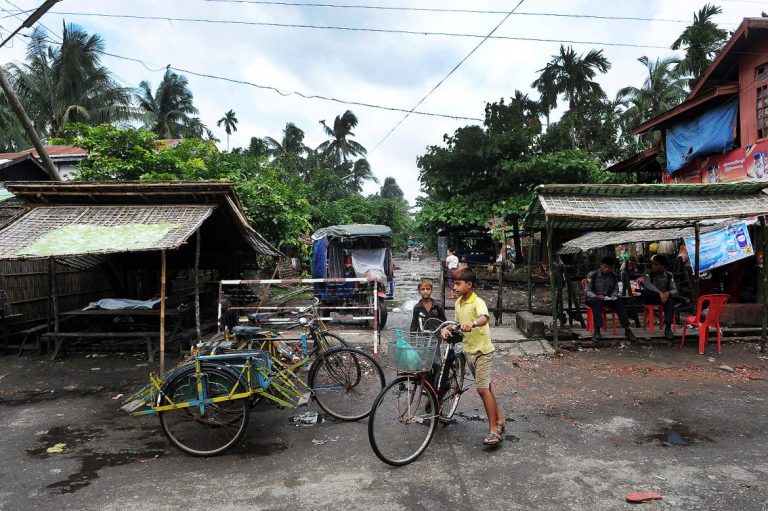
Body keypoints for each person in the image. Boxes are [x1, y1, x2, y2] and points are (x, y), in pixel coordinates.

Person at [449, 267, 505, 446]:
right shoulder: (458, 303)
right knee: (486, 387)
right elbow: (457, 324)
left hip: (483, 352)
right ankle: (500, 419)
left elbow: (484, 318)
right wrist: (447, 328)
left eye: (458, 283)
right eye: (454, 283)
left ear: (469, 284)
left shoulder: (477, 301)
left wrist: (472, 323)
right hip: (469, 351)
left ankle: (494, 432)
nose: (455, 286)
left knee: (481, 390)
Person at [585, 256, 637, 341]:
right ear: (601, 265)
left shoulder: (613, 276)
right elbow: (587, 290)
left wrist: (613, 296)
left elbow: (616, 288)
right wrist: (596, 296)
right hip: (594, 298)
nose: (607, 269)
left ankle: (627, 329)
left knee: (619, 302)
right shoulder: (592, 275)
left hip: (607, 298)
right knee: (596, 303)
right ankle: (597, 330)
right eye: (605, 267)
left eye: (609, 268)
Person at [410, 278, 446, 388]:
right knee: (424, 365)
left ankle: (436, 386)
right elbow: (414, 325)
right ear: (419, 291)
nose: (425, 291)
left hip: (435, 339)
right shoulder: (417, 307)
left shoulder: (437, 305)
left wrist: (444, 331)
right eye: (423, 289)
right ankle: (427, 386)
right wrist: (413, 340)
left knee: (436, 363)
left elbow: (443, 321)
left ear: (431, 290)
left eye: (428, 289)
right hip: (422, 339)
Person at [639, 254, 680, 340]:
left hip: (664, 299)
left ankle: (668, 328)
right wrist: (660, 293)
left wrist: (667, 293)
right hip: (651, 298)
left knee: (671, 300)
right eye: (653, 264)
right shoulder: (648, 273)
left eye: (656, 264)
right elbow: (647, 284)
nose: (653, 266)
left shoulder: (669, 275)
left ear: (662, 266)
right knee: (646, 292)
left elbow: (674, 289)